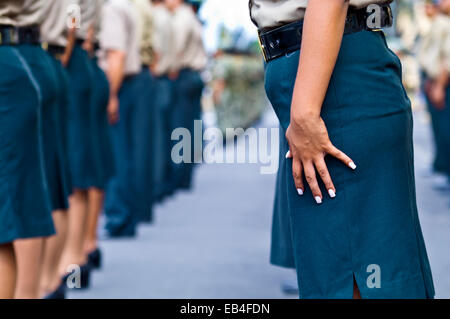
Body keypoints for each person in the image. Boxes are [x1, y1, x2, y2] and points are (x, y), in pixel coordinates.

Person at [250, 0, 435, 298]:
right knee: (346, 268)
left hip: (334, 79)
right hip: (328, 71)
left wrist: (305, 112)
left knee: (351, 274)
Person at [0, 0, 56, 299]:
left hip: (16, 55)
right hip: (29, 52)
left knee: (9, 211)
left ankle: (42, 283)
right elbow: (74, 30)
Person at [102, 0, 154, 237]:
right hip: (132, 82)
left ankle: (119, 217)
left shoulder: (113, 8)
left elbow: (117, 56)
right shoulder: (128, 6)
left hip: (120, 84)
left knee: (117, 154)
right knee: (130, 153)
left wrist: (111, 94)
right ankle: (127, 216)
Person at [58, 0, 99, 289]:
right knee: (75, 171)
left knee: (70, 175)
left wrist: (61, 63)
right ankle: (77, 259)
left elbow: (71, 20)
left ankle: (70, 264)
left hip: (67, 59)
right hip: (78, 59)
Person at [39, 0, 77, 299]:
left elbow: (74, 22)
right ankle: (53, 275)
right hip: (49, 61)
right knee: (54, 178)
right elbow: (74, 20)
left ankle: (46, 279)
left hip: (38, 57)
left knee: (41, 183)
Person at [166, 0, 207, 191]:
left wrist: (169, 68)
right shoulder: (191, 16)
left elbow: (176, 48)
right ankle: (186, 176)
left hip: (184, 75)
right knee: (190, 128)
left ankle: (179, 177)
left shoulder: (181, 17)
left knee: (180, 128)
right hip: (194, 76)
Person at [419, 0, 450, 190]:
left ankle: (446, 170)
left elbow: (446, 59)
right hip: (434, 80)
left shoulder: (444, 24)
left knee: (445, 129)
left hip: (442, 83)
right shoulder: (439, 22)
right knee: (438, 127)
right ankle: (441, 166)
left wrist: (439, 85)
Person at [151, 0, 176, 201]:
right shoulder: (167, 17)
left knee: (157, 139)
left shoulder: (158, 16)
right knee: (163, 136)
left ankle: (158, 186)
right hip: (166, 79)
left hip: (158, 79)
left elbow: (156, 53)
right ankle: (163, 183)